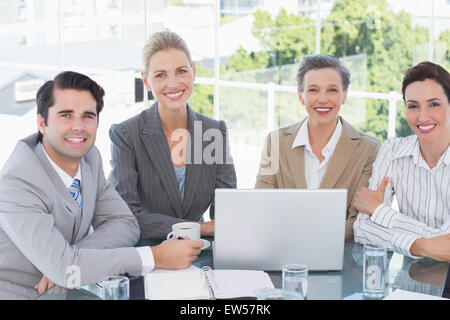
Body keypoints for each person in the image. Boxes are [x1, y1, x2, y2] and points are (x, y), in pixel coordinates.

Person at [0, 71, 203, 300]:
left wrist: (68, 261)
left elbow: (126, 224)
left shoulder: (89, 158)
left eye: (88, 115)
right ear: (42, 123)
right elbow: (67, 269)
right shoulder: (16, 182)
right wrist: (155, 257)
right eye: (66, 115)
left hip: (71, 289)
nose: (78, 126)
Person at [108, 30, 236, 239]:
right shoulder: (126, 135)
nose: (173, 83)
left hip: (201, 252)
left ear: (193, 71)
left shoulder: (214, 132)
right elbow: (127, 216)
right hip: (150, 252)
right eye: (160, 75)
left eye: (181, 71)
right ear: (147, 81)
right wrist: (198, 228)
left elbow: (227, 212)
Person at [255, 54, 381, 241]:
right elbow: (260, 206)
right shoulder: (275, 142)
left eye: (332, 90)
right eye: (313, 90)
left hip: (339, 257)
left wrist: (299, 230)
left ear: (344, 95)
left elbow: (359, 222)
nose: (323, 99)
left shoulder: (369, 149)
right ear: (301, 96)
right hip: (282, 251)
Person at [353, 61, 450, 261]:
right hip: (410, 280)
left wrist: (379, 211)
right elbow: (362, 229)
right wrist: (421, 247)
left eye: (434, 104)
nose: (422, 117)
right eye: (413, 106)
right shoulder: (392, 150)